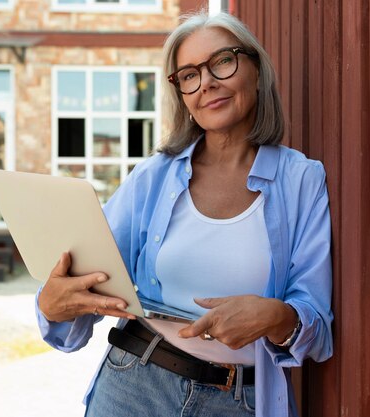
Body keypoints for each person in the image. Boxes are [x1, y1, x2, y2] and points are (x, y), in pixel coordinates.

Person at [36, 11, 333, 417]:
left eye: (222, 61)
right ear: (182, 95)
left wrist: (277, 316)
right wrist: (53, 304)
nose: (206, 82)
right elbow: (86, 276)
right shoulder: (153, 177)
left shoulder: (302, 179)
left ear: (257, 71)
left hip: (239, 402)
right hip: (134, 385)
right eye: (188, 75)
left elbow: (315, 324)